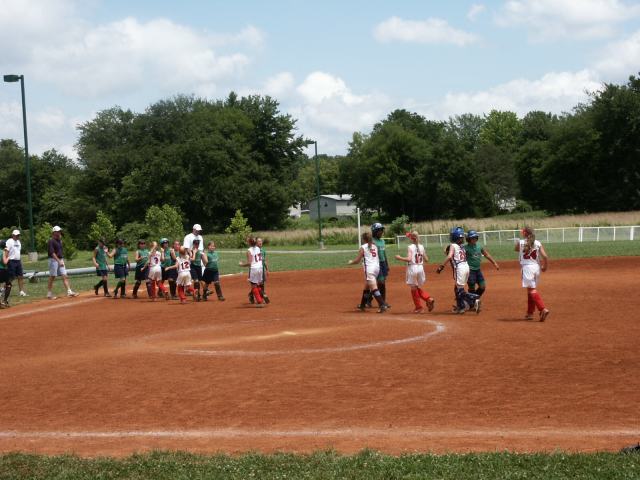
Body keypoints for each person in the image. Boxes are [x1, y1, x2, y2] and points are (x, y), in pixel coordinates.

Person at [437, 226, 480, 314]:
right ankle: (461, 307)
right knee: (457, 288)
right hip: (466, 267)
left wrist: (441, 266)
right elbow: (453, 254)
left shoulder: (453, 245)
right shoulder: (462, 247)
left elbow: (449, 256)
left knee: (460, 291)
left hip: (460, 269)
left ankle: (474, 298)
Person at [348, 231, 390, 313]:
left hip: (370, 269)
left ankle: (382, 305)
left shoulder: (363, 247)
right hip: (377, 268)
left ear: (364, 239)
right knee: (367, 286)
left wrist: (350, 262)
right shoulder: (375, 246)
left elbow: (357, 261)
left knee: (374, 288)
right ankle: (362, 305)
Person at [395, 231, 435, 314]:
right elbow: (427, 260)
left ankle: (419, 307)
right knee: (416, 288)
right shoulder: (421, 246)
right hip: (420, 268)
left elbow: (409, 259)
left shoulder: (410, 247)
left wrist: (399, 258)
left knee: (413, 288)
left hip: (413, 268)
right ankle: (428, 299)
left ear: (411, 238)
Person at [516, 226, 550, 321]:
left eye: (523, 232)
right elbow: (545, 256)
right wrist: (545, 267)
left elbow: (516, 249)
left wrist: (518, 242)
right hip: (536, 268)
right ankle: (530, 313)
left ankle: (542, 309)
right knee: (530, 290)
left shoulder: (520, 242)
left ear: (524, 233)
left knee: (531, 290)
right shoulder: (538, 243)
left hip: (527, 268)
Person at [46, 226, 78, 300]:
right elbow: (52, 253)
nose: (59, 233)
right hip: (53, 260)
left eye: (59, 231)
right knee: (52, 277)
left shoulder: (59, 240)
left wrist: (61, 260)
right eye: (57, 231)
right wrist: (58, 261)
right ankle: (49, 294)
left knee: (64, 275)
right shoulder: (51, 241)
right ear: (54, 232)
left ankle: (69, 291)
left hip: (60, 260)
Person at [464, 230, 499, 297]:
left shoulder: (479, 246)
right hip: (470, 270)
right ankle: (472, 301)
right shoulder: (465, 248)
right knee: (472, 288)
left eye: (475, 237)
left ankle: (474, 298)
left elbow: (486, 255)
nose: (474, 239)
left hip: (478, 270)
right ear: (468, 239)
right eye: (472, 238)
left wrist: (494, 263)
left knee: (482, 286)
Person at [239, 236, 265, 307]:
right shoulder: (258, 248)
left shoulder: (249, 250)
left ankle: (259, 301)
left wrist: (241, 265)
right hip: (260, 268)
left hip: (254, 269)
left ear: (249, 243)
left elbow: (249, 263)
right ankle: (262, 296)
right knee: (258, 284)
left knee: (253, 285)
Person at [368, 223, 390, 307]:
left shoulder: (382, 241)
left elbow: (384, 253)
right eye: (379, 230)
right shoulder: (372, 241)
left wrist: (387, 265)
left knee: (381, 283)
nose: (381, 232)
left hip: (383, 263)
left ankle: (370, 299)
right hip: (376, 264)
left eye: (382, 230)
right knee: (381, 282)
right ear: (374, 231)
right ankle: (382, 302)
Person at [6, 229, 27, 297]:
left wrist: (20, 260)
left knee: (20, 276)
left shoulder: (18, 242)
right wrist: (6, 260)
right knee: (11, 277)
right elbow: (7, 251)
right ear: (13, 235)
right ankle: (4, 289)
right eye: (16, 235)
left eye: (18, 235)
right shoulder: (9, 241)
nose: (17, 236)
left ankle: (21, 291)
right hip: (11, 261)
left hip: (18, 261)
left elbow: (18, 252)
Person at [0, 240, 12, 308]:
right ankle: (5, 301)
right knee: (8, 285)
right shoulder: (3, 252)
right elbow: (4, 262)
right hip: (2, 270)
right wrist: (8, 258)